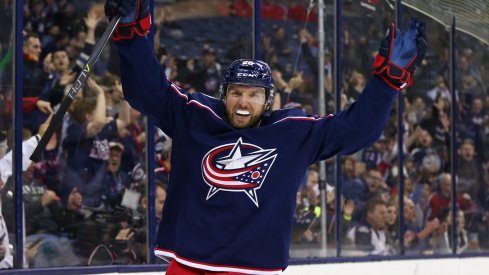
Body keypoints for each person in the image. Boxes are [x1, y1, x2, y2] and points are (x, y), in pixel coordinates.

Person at [104, 0, 427, 273]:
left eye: (254, 95)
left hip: (255, 269)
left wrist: (388, 82)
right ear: (224, 94)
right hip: (189, 265)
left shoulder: (293, 133)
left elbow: (357, 130)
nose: (243, 102)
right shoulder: (194, 116)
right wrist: (132, 36)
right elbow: (146, 91)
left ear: (268, 101)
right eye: (236, 92)